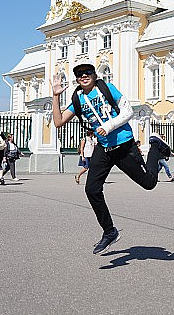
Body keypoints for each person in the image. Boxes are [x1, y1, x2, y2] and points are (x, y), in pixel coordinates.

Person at [52, 63, 165, 255]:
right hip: (103, 148)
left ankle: (156, 146)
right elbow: (58, 122)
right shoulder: (78, 99)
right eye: (79, 74)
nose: (84, 76)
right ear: (76, 79)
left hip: (124, 146)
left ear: (95, 75)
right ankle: (109, 231)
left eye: (88, 72)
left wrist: (110, 125)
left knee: (149, 183)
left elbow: (128, 112)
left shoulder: (106, 89)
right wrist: (55, 96)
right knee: (92, 189)